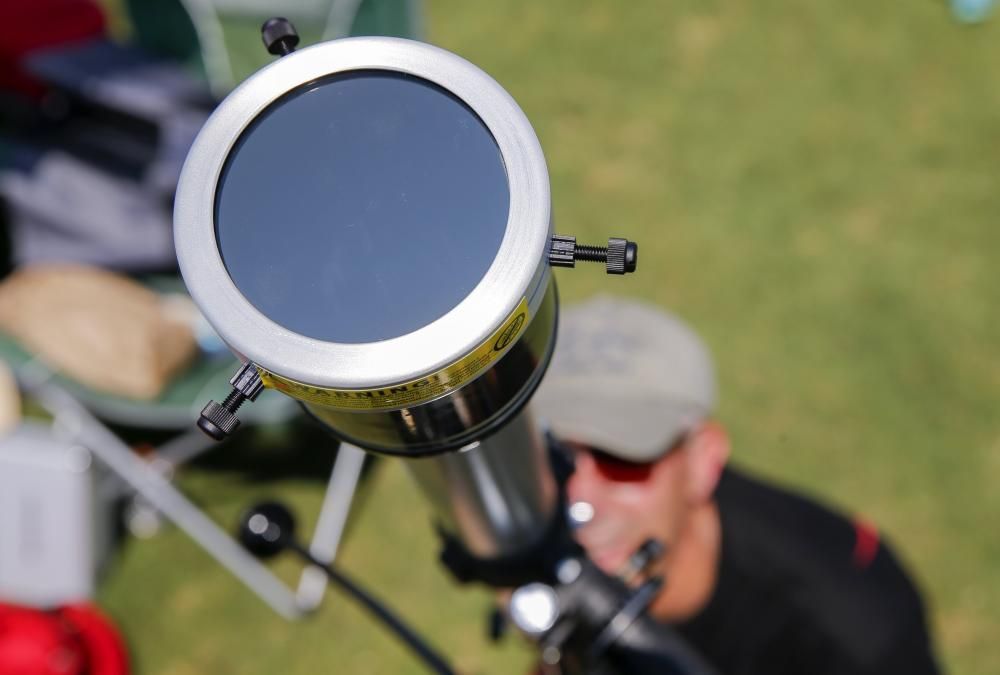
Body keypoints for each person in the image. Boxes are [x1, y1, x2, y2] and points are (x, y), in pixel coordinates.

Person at [531, 295, 941, 675]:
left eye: (621, 458)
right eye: (552, 456)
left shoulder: (853, 636)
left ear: (702, 462)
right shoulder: (532, 523)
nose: (578, 497)